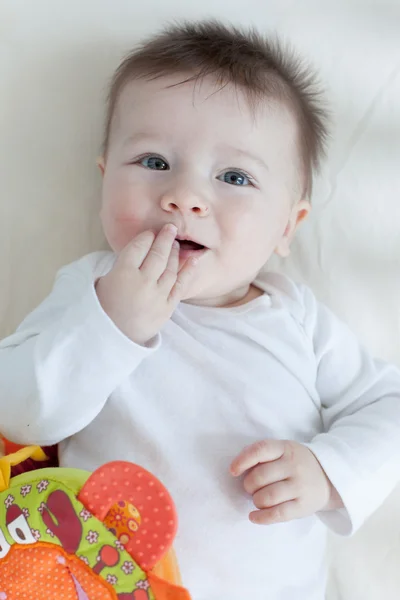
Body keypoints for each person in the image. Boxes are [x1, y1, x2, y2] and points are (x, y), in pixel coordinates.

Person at [1, 20, 400, 600]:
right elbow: (18, 413)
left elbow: (388, 406)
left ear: (289, 226)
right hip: (104, 584)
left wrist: (331, 470)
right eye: (154, 162)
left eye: (234, 176)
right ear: (104, 177)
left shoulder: (296, 319)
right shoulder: (91, 290)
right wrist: (111, 324)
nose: (185, 195)